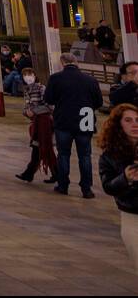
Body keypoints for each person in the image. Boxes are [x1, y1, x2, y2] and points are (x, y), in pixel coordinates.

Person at [44, 53, 103, 198]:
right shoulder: (90, 80)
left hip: (64, 120)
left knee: (63, 154)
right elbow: (99, 102)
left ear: (62, 63)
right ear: (76, 63)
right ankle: (86, 189)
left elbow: (48, 99)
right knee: (85, 155)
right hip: (85, 119)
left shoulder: (55, 78)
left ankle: (63, 185)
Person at [99, 103, 138, 274]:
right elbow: (108, 187)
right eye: (128, 120)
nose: (134, 124)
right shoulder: (110, 156)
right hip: (132, 218)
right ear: (118, 125)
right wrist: (126, 178)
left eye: (137, 120)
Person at [15, 65, 58, 185]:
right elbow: (26, 108)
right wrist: (27, 113)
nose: (28, 77)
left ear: (35, 76)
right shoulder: (26, 90)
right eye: (25, 75)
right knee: (39, 148)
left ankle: (30, 174)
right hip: (36, 123)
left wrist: (33, 111)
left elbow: (49, 106)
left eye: (30, 74)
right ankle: (52, 174)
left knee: (42, 148)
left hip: (45, 123)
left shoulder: (41, 88)